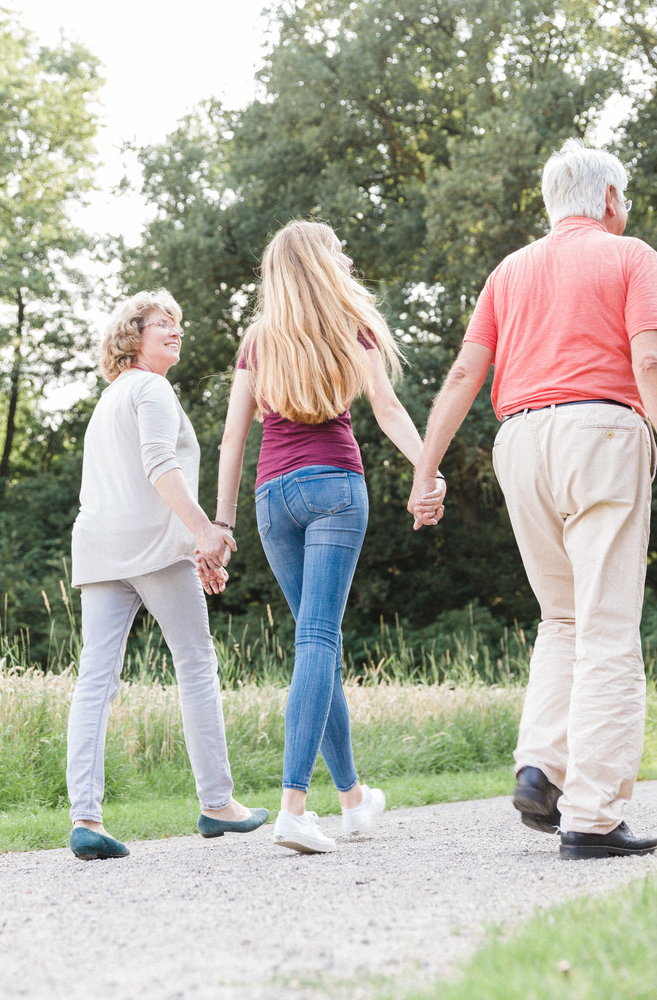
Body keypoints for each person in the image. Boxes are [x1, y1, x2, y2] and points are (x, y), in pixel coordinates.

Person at [408, 139, 657, 861]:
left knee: (561, 619)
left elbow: (461, 376)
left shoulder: (507, 271)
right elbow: (651, 359)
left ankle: (541, 768)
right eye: (622, 198)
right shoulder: (627, 253)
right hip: (599, 431)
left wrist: (426, 469)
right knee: (605, 628)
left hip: (518, 441)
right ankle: (592, 817)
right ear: (608, 200)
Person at [215, 220, 446, 854]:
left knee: (319, 642)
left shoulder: (258, 340)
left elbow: (233, 439)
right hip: (333, 487)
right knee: (318, 639)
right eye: (338, 249)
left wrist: (222, 523)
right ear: (321, 264)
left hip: (270, 500)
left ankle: (352, 801)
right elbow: (388, 408)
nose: (347, 255)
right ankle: (294, 807)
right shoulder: (350, 328)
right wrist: (428, 471)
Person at [66, 289, 268, 860]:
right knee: (196, 662)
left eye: (178, 323)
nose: (175, 332)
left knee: (95, 680)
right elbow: (160, 465)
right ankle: (218, 803)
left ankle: (86, 816)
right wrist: (205, 535)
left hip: (100, 548)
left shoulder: (109, 399)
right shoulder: (151, 388)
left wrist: (194, 540)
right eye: (161, 324)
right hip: (152, 550)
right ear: (134, 336)